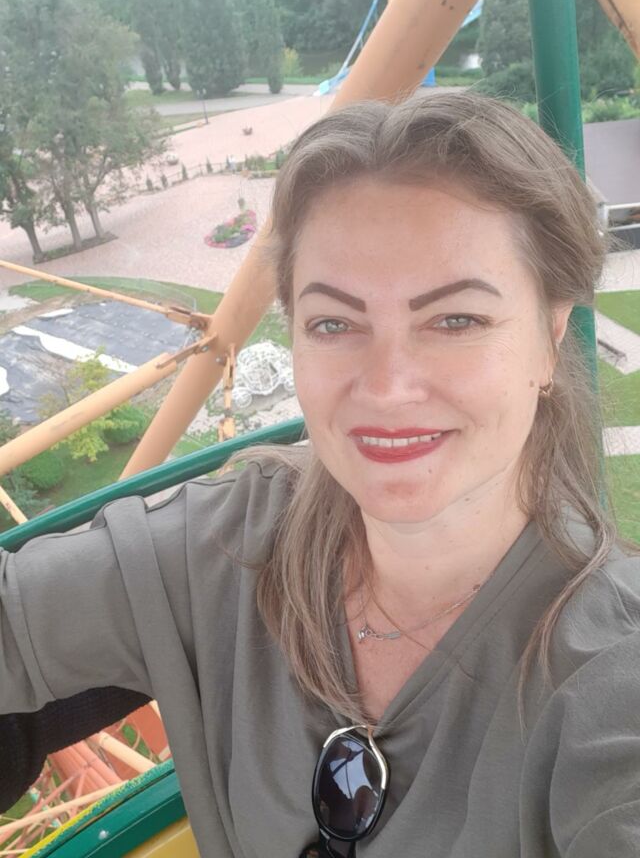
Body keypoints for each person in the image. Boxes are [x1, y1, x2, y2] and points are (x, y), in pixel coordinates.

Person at [1, 92, 639, 858]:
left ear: (550, 338)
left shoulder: (610, 674)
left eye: (456, 320)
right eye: (334, 323)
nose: (387, 387)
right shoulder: (226, 545)